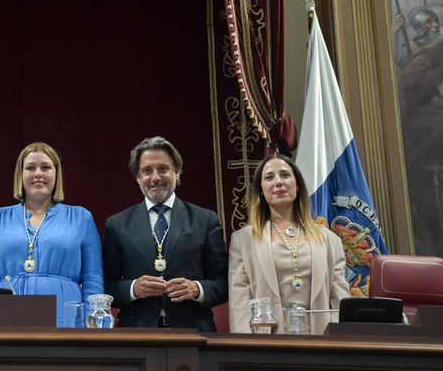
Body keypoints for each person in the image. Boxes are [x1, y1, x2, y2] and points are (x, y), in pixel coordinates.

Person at [102, 136, 227, 330]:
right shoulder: (117, 224)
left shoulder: (206, 220)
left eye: (163, 169)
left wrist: (197, 289)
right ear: (137, 178)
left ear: (177, 172)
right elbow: (105, 287)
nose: (155, 177)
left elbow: (223, 283)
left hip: (195, 333)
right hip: (136, 335)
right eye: (147, 171)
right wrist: (133, 288)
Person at [0, 142, 103, 327]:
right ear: (21, 175)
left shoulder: (81, 217)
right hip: (5, 317)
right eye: (30, 168)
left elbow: (93, 280)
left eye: (46, 167)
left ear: (56, 174)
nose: (38, 173)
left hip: (65, 313)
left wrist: (93, 325)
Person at [228, 154, 349, 334]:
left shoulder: (330, 240)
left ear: (297, 184)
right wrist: (249, 350)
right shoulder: (243, 240)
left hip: (322, 342)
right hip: (268, 346)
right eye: (269, 177)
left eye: (285, 175)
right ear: (261, 190)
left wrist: (338, 343)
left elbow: (339, 302)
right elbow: (240, 306)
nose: (278, 182)